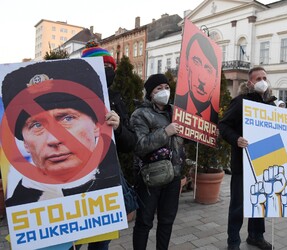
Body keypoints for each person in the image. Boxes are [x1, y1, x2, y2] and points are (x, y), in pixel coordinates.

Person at [1, 59, 120, 207]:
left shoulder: (115, 188)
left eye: (67, 118)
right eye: (36, 125)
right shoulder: (19, 205)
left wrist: (118, 129)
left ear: (96, 124)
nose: (54, 139)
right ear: (25, 142)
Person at [219, 66, 287, 250]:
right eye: (258, 78)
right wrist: (236, 139)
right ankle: (233, 242)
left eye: (264, 77)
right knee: (238, 205)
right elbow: (224, 125)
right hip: (243, 162)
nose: (262, 81)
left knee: (261, 201)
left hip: (265, 160)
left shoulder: (270, 105)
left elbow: (279, 133)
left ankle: (256, 236)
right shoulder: (239, 102)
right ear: (250, 82)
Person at [81, 41, 137, 250]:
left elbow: (130, 143)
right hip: (71, 183)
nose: (107, 72)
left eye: (110, 68)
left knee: (100, 242)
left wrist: (119, 127)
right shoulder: (64, 97)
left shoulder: (115, 99)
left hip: (104, 183)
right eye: (100, 66)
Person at [131, 73, 185, 250]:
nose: (164, 91)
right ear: (150, 93)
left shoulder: (176, 113)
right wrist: (165, 132)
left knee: (167, 221)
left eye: (167, 88)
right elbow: (140, 145)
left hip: (173, 174)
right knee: (144, 222)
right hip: (149, 177)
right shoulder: (140, 114)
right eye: (159, 88)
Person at [174, 33, 219, 124]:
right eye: (196, 62)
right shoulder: (173, 109)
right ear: (187, 64)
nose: (202, 79)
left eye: (209, 70)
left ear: (216, 80)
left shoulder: (218, 119)